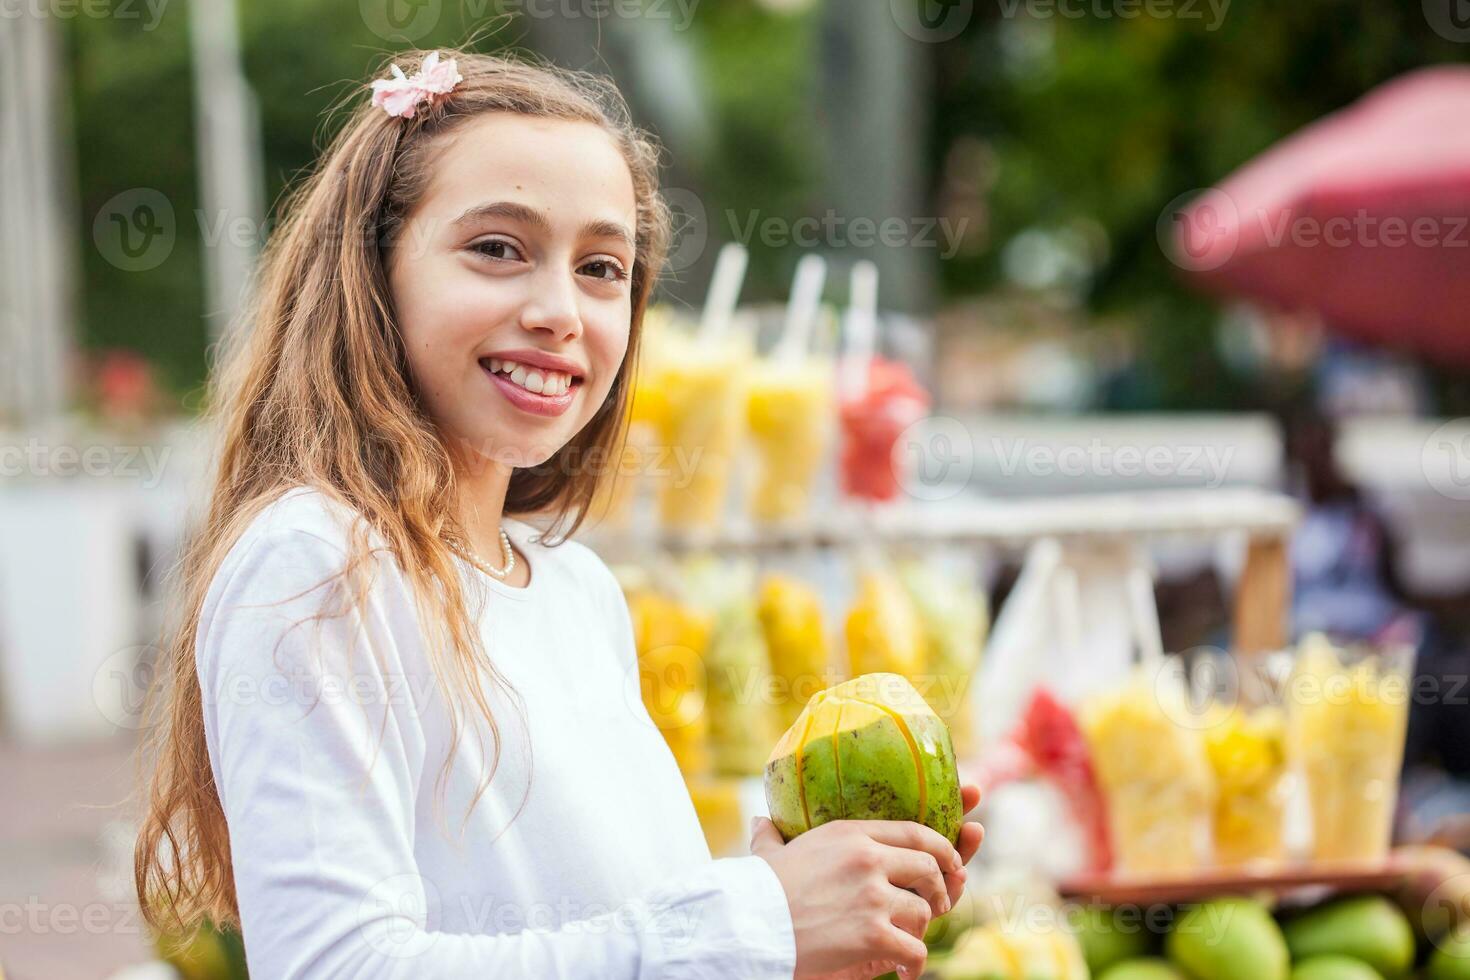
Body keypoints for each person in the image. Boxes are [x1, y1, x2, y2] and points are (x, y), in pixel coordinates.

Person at [132, 49, 983, 979]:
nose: (558, 311)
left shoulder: (577, 587)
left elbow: (605, 928)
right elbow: (340, 968)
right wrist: (754, 924)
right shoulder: (319, 562)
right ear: (369, 272)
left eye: (602, 267)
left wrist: (795, 903)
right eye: (497, 247)